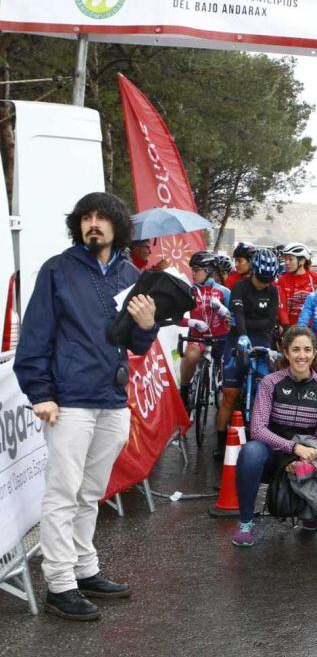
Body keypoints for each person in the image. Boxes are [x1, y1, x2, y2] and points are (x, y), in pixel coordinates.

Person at [14, 192, 159, 620]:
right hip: (70, 400)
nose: (92, 224)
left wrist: (148, 327)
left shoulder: (130, 274)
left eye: (101, 217)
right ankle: (60, 584)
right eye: (85, 218)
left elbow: (132, 342)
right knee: (63, 494)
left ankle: (84, 568)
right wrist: (40, 393)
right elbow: (35, 336)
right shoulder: (58, 270)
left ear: (118, 226)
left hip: (113, 399)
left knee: (91, 492)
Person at [231, 325, 317, 547]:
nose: (302, 355)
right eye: (296, 349)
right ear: (286, 352)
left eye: (307, 350)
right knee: (250, 451)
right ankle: (245, 522)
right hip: (273, 452)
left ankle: (307, 511)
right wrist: (292, 450)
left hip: (307, 453)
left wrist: (303, 461)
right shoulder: (270, 382)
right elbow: (258, 429)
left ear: (314, 353)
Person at [217, 248, 281, 456]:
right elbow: (238, 313)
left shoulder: (272, 290)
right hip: (238, 338)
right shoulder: (239, 287)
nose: (264, 284)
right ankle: (220, 442)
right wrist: (243, 330)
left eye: (268, 280)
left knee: (264, 389)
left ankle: (261, 436)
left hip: (262, 339)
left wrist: (247, 323)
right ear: (253, 271)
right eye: (261, 279)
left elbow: (270, 321)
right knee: (229, 394)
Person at [178, 250, 232, 406]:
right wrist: (192, 322)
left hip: (220, 339)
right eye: (192, 270)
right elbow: (176, 318)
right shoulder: (189, 291)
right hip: (197, 337)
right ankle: (184, 390)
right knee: (190, 357)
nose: (193, 274)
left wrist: (224, 310)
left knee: (227, 366)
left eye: (196, 270)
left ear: (208, 271)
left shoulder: (224, 292)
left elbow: (235, 318)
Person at [277, 242, 317, 328]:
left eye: (290, 259)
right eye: (285, 259)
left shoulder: (315, 277)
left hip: (312, 327)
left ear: (302, 261)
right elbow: (282, 307)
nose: (287, 262)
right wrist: (286, 325)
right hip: (290, 327)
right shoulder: (282, 280)